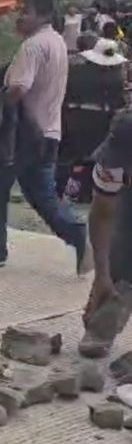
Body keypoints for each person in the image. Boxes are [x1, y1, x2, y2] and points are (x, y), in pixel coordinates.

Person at [0, 0, 90, 273]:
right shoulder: (57, 42)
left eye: (26, 11)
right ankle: (79, 235)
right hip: (49, 132)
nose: (20, 17)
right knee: (42, 196)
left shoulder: (33, 46)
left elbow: (19, 87)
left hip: (21, 135)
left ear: (43, 13)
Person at [81, 110, 132, 358]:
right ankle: (108, 311)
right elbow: (103, 212)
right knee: (123, 246)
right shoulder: (123, 140)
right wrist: (103, 275)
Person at [59, 37, 128, 202]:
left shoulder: (75, 71)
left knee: (72, 156)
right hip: (101, 120)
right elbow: (119, 103)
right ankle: (84, 192)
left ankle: (65, 189)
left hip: (74, 117)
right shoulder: (116, 78)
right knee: (93, 157)